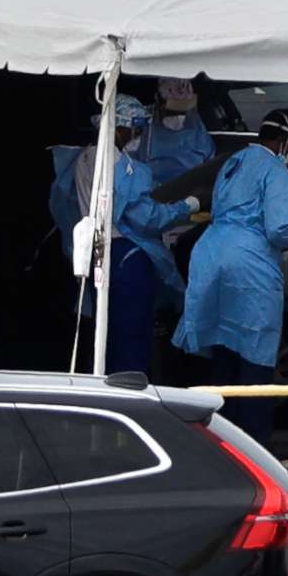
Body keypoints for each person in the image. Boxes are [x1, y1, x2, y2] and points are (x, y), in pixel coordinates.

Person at [174, 107, 288, 446]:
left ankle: (222, 446)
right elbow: (279, 228)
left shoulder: (233, 162)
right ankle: (255, 450)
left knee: (225, 357)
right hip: (248, 264)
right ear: (287, 140)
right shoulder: (277, 173)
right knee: (256, 360)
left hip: (211, 255)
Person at [50, 95, 199, 377]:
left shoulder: (82, 158)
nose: (139, 136)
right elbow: (146, 217)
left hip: (95, 253)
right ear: (121, 127)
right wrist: (184, 207)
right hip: (125, 257)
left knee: (106, 335)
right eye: (136, 129)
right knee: (132, 336)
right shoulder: (121, 166)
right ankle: (131, 396)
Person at [135, 75, 218, 185]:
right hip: (151, 192)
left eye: (183, 112)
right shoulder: (143, 123)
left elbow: (209, 165)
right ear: (158, 101)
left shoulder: (197, 129)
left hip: (190, 192)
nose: (179, 118)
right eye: (173, 112)